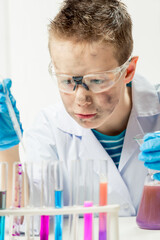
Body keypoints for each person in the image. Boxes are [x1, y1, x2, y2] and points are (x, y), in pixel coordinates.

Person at [0, 0, 160, 217]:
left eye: (96, 80)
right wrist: (7, 150)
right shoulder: (49, 130)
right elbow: (29, 217)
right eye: (67, 81)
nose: (80, 99)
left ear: (129, 70)